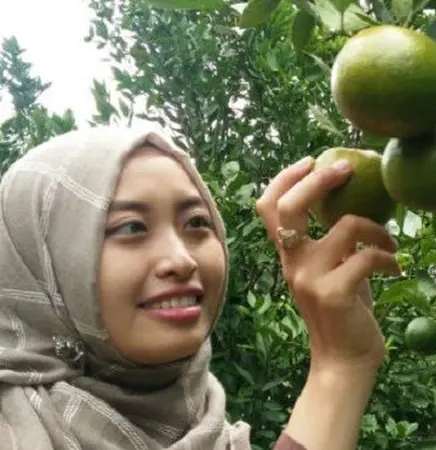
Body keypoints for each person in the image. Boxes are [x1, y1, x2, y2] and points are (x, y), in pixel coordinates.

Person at [0, 125, 401, 449]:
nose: (182, 259)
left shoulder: (206, 430)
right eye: (131, 228)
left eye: (196, 223)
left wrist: (343, 361)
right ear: (42, 262)